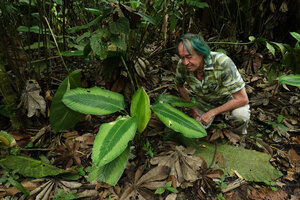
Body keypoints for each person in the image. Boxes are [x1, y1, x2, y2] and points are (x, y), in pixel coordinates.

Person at [175, 33, 250, 135]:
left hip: (229, 99)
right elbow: (179, 85)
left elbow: (242, 99)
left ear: (201, 52)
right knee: (195, 129)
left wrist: (213, 112)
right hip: (204, 102)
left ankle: (240, 136)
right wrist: (192, 108)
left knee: (241, 116)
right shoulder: (182, 65)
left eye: (189, 57)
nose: (185, 62)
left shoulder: (222, 62)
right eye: (182, 57)